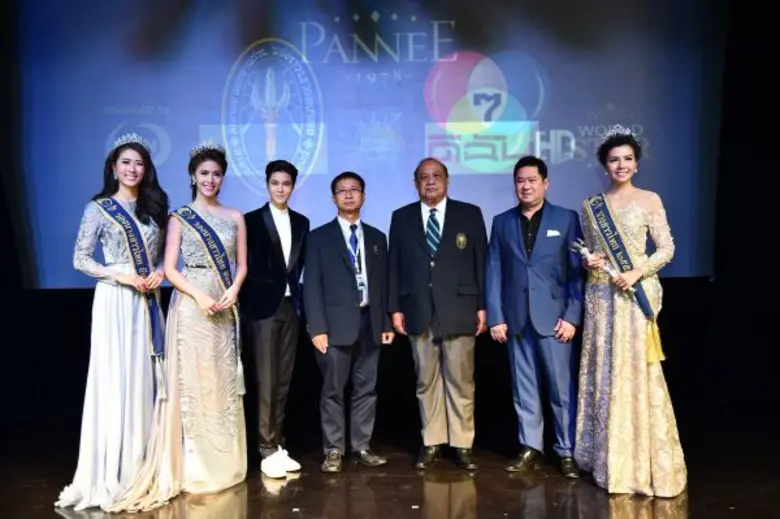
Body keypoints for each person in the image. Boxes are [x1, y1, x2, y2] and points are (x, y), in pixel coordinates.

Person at [105, 139, 248, 512]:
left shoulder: (235, 216)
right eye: (204, 173)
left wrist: (233, 289)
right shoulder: (180, 217)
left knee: (220, 383)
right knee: (194, 383)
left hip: (224, 303)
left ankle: (224, 462)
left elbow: (242, 264)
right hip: (191, 305)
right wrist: (199, 296)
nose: (210, 179)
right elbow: (169, 268)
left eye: (216, 174)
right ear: (193, 176)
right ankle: (196, 466)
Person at [56, 133, 169, 511]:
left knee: (143, 377)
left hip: (146, 300)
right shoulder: (98, 208)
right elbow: (81, 259)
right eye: (126, 163)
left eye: (139, 163)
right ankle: (113, 470)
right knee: (115, 377)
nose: (132, 169)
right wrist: (121, 276)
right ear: (114, 168)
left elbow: (161, 258)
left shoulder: (155, 207)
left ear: (146, 169)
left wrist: (158, 273)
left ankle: (140, 464)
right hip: (116, 299)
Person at [574, 125, 686, 497]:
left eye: (627, 159)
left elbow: (666, 249)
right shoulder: (592, 206)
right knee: (606, 371)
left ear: (636, 164)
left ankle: (639, 465)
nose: (621, 165)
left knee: (634, 372)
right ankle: (609, 462)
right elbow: (594, 252)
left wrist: (636, 272)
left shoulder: (649, 199)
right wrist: (591, 260)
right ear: (604, 165)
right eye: (613, 160)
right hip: (603, 298)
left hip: (634, 295)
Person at [486, 156, 584, 479]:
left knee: (560, 389)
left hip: (555, 321)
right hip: (515, 319)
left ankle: (566, 450)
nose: (525, 186)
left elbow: (576, 273)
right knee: (523, 388)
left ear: (545, 183)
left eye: (531, 180)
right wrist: (496, 317)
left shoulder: (566, 219)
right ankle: (530, 446)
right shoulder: (501, 222)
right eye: (520, 181)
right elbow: (494, 270)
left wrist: (572, 316)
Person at [388, 157, 487, 471]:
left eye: (436, 176)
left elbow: (481, 263)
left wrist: (483, 305)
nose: (430, 181)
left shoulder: (469, 214)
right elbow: (394, 267)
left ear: (447, 180)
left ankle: (462, 443)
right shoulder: (401, 217)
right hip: (417, 309)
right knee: (425, 380)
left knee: (461, 380)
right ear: (415, 182)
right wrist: (395, 308)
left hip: (459, 308)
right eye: (423, 177)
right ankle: (432, 441)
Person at [303, 171, 394, 473]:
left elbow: (384, 285)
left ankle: (362, 446)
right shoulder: (319, 238)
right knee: (332, 390)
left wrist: (386, 323)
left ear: (363, 196)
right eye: (342, 190)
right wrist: (316, 328)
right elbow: (311, 286)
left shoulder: (378, 238)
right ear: (334, 198)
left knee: (366, 389)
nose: (349, 194)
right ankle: (333, 450)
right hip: (333, 326)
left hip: (370, 322)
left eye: (355, 189)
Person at [241, 160, 309, 479]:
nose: (280, 189)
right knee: (266, 380)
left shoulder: (302, 222)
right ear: (267, 184)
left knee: (283, 380)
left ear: (293, 186)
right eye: (275, 183)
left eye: (286, 183)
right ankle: (266, 447)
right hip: (262, 310)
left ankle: (278, 443)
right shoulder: (250, 221)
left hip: (290, 308)